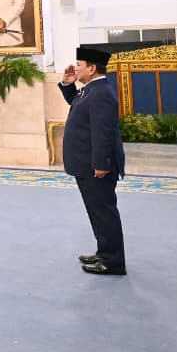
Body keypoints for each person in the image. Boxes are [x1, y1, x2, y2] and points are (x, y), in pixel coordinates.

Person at [59, 46, 126, 276]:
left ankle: (112, 262)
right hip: (86, 164)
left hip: (96, 167)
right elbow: (76, 103)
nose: (75, 68)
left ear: (92, 68)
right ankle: (104, 252)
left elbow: (102, 132)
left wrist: (101, 164)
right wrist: (68, 84)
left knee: (104, 213)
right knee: (97, 213)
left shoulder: (101, 93)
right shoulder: (92, 90)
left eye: (79, 65)